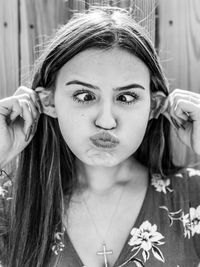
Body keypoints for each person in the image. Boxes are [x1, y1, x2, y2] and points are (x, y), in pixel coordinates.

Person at [0, 6, 200, 267]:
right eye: (85, 96)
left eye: (126, 97)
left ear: (153, 107)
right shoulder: (10, 206)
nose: (106, 121)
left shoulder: (192, 197)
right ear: (48, 102)